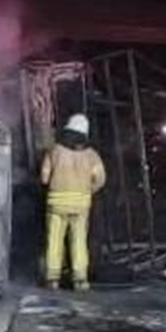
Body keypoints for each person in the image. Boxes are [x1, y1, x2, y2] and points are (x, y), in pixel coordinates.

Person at [40, 113, 106, 291]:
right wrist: (87, 190)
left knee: (54, 240)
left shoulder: (54, 151)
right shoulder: (92, 156)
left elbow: (44, 178)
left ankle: (52, 279)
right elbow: (100, 179)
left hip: (56, 203)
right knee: (79, 241)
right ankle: (80, 280)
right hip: (81, 205)